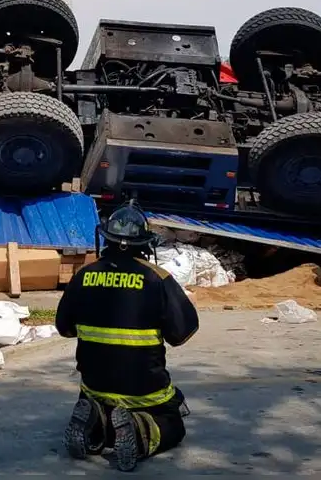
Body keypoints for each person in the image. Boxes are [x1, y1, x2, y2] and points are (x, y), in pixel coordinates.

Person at [56, 201, 199, 472]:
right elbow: (182, 334)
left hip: (94, 386)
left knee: (102, 402)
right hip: (144, 389)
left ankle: (95, 420)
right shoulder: (157, 278)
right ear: (145, 243)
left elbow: (64, 329)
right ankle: (139, 429)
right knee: (173, 422)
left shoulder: (84, 275)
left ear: (105, 238)